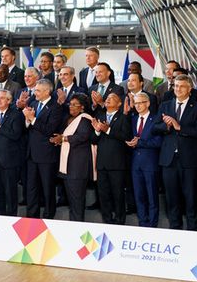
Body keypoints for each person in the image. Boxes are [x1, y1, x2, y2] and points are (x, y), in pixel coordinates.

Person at [153, 74, 197, 231]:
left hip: (189, 161)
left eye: (182, 86)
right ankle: (175, 231)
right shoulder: (165, 105)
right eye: (175, 86)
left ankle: (192, 232)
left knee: (191, 199)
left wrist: (179, 127)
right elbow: (155, 127)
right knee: (172, 198)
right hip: (168, 160)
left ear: (190, 89)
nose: (178, 89)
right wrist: (167, 126)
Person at [23, 79, 63, 219]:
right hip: (32, 154)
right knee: (31, 188)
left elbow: (49, 130)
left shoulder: (56, 107)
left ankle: (48, 216)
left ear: (47, 91)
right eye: (35, 90)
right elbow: (27, 128)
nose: (35, 92)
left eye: (38, 90)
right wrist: (28, 121)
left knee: (47, 188)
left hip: (47, 155)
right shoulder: (33, 103)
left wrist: (32, 119)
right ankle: (31, 216)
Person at [90, 92, 132, 225]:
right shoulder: (100, 116)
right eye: (107, 98)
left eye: (112, 98)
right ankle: (107, 220)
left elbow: (126, 136)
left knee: (118, 194)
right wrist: (97, 131)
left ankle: (120, 221)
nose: (108, 100)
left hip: (117, 164)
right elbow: (93, 140)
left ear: (119, 104)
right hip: (102, 163)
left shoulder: (123, 117)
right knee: (103, 194)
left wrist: (108, 130)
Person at [50, 93, 93, 221]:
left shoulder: (85, 119)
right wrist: (60, 138)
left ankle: (78, 226)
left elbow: (83, 136)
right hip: (68, 166)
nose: (71, 107)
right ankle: (74, 224)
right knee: (72, 200)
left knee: (77, 200)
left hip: (78, 167)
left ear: (82, 107)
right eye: (70, 104)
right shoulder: (69, 119)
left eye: (75, 105)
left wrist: (63, 138)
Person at [126, 92, 162, 228]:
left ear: (148, 103)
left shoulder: (156, 119)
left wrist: (139, 142)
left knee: (152, 196)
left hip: (150, 163)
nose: (138, 105)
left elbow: (158, 141)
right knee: (139, 196)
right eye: (136, 103)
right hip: (135, 164)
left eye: (141, 103)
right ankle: (143, 224)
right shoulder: (133, 119)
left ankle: (152, 225)